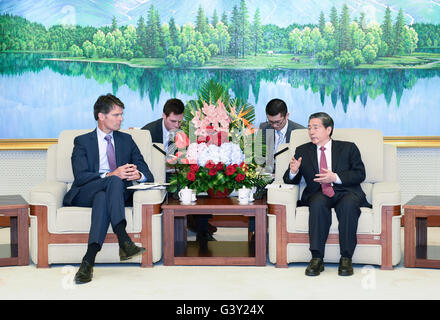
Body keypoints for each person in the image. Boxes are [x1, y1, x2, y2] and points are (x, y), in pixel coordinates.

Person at [63, 94, 154, 284]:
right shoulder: (82, 141)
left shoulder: (127, 140)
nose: (121, 119)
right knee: (112, 180)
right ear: (101, 116)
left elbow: (147, 173)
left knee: (104, 197)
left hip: (113, 194)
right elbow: (80, 176)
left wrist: (137, 175)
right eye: (116, 115)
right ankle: (123, 239)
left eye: (122, 114)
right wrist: (111, 174)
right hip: (86, 192)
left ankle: (88, 261)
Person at [283, 112, 371, 277]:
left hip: (345, 191)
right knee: (316, 204)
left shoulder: (348, 147)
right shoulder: (302, 150)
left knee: (348, 205)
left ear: (328, 129)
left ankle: (346, 258)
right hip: (319, 193)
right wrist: (293, 172)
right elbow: (288, 180)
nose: (311, 132)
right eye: (309, 128)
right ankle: (317, 258)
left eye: (316, 127)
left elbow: (360, 174)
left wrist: (335, 177)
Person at [142, 98, 216, 242]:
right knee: (178, 187)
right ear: (164, 116)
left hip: (178, 173)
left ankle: (202, 231)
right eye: (173, 121)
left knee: (200, 183)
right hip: (156, 175)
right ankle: (181, 228)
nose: (177, 125)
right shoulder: (148, 131)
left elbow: (190, 154)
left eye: (179, 122)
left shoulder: (184, 131)